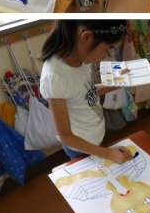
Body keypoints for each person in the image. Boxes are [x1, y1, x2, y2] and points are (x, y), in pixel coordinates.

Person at [40, 20, 134, 163]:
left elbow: (86, 93)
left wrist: (118, 81)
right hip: (79, 148)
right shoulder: (54, 78)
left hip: (94, 138)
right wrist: (107, 153)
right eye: (106, 49)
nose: (105, 55)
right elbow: (65, 136)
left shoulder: (81, 59)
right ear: (86, 37)